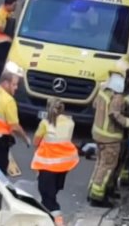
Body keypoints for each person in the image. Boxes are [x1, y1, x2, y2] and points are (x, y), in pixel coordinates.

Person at [87, 60, 129, 207]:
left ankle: (94, 190)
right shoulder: (117, 96)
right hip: (110, 138)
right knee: (107, 166)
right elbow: (114, 113)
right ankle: (98, 197)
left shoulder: (104, 91)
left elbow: (96, 104)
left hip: (98, 136)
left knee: (99, 164)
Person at [31, 97, 79, 226]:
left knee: (48, 198)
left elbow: (35, 141)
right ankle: (46, 219)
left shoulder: (45, 124)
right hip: (63, 167)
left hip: (47, 167)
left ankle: (58, 222)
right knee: (50, 196)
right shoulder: (70, 123)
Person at [0, 0, 18, 85]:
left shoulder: (8, 12)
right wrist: (7, 23)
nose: (14, 8)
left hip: (8, 41)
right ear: (8, 5)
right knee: (1, 64)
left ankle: (4, 81)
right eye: (13, 5)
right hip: (1, 43)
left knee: (7, 64)